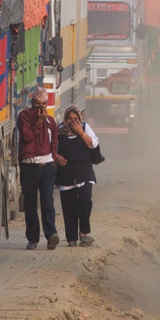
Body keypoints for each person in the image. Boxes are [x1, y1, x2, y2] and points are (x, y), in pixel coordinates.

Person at [17, 86, 59, 250]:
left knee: (48, 202)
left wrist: (53, 158)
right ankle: (33, 238)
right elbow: (27, 137)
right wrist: (39, 122)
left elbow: (54, 140)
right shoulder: (25, 117)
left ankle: (51, 235)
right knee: (30, 204)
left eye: (43, 105)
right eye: (37, 105)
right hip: (29, 166)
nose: (40, 109)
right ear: (32, 103)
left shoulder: (51, 121)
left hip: (46, 166)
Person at [54, 106, 98, 247]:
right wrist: (56, 157)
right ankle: (71, 239)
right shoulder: (59, 132)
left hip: (84, 173)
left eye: (76, 119)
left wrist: (81, 133)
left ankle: (84, 233)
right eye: (70, 119)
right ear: (65, 119)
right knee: (69, 208)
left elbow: (93, 144)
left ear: (80, 119)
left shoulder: (85, 128)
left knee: (85, 202)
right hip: (66, 176)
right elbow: (50, 149)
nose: (73, 122)